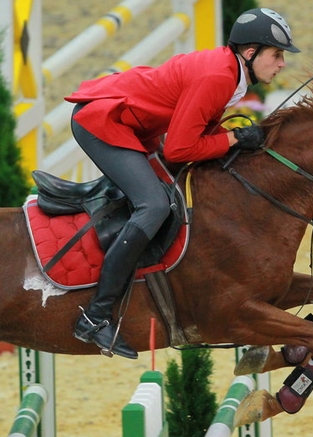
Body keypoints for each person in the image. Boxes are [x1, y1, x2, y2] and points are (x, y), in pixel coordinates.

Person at [65, 8, 300, 359]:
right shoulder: (218, 77)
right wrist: (233, 139)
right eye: (276, 55)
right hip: (103, 121)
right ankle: (95, 315)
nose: (281, 64)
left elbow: (197, 131)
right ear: (250, 53)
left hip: (133, 123)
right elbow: (180, 148)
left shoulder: (228, 72)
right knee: (154, 205)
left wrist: (230, 136)